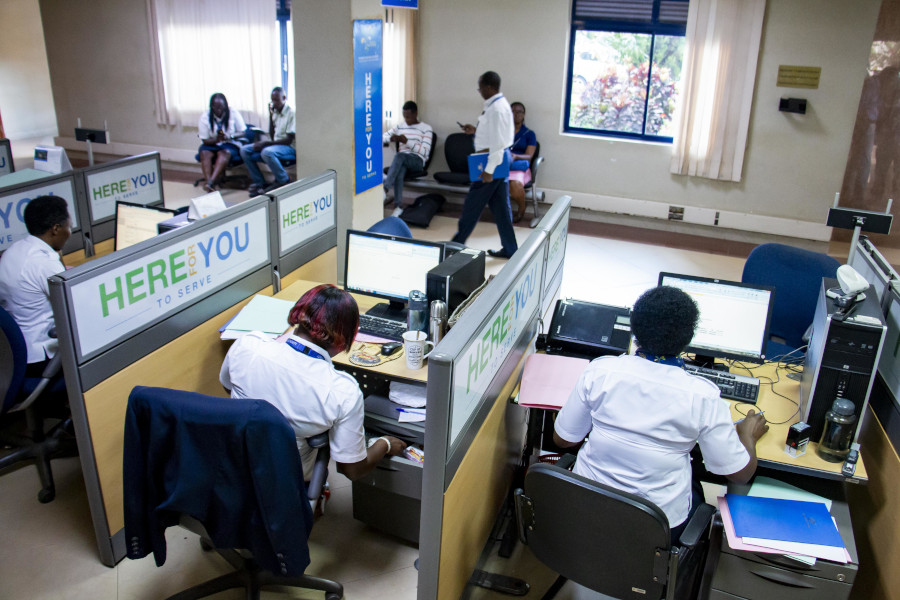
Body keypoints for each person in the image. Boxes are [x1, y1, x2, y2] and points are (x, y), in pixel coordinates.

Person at [553, 286, 768, 541]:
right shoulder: (702, 396)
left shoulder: (600, 372)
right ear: (688, 338)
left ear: (633, 330)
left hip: (586, 509)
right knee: (696, 490)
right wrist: (748, 436)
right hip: (655, 528)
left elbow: (563, 440)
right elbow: (739, 474)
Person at [220, 284, 406, 481]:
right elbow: (351, 469)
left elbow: (228, 386)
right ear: (344, 339)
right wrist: (384, 443)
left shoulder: (248, 345)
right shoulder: (342, 391)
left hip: (233, 465)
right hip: (285, 480)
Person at [0, 196, 71, 377]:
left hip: (15, 353)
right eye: (68, 226)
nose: (69, 232)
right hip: (43, 357)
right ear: (56, 229)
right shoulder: (44, 264)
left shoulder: (13, 251)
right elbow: (76, 307)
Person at [452, 71, 518, 259]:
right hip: (498, 159)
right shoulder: (498, 105)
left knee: (472, 206)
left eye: (480, 87)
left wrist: (489, 171)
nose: (479, 91)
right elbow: (495, 135)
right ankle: (510, 248)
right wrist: (476, 130)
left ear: (489, 87)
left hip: (492, 162)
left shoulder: (497, 108)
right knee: (501, 209)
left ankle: (455, 245)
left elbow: (498, 143)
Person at [240, 86, 297, 195]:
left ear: (284, 98)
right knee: (244, 150)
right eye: (272, 100)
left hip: (288, 148)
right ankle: (260, 182)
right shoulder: (275, 112)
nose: (274, 103)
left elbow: (288, 140)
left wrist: (266, 144)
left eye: (276, 100)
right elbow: (272, 135)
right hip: (275, 145)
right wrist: (271, 116)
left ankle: (284, 180)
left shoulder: (291, 113)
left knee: (266, 152)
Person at [382, 101, 433, 217]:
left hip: (417, 161)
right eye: (404, 116)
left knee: (400, 156)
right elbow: (382, 138)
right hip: (402, 161)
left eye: (408, 117)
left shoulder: (426, 128)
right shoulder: (400, 126)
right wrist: (391, 138)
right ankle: (398, 207)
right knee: (400, 169)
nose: (406, 120)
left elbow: (425, 152)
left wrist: (406, 142)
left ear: (415, 114)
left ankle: (385, 190)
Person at [197, 92, 247, 193]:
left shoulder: (233, 113)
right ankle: (209, 182)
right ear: (211, 107)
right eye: (216, 107)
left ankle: (210, 183)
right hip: (212, 143)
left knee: (224, 153)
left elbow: (243, 132)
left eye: (222, 107)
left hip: (230, 143)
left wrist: (230, 136)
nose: (219, 110)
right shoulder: (205, 117)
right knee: (204, 153)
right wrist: (216, 140)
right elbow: (205, 140)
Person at [508, 102, 537, 223]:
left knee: (514, 183)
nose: (516, 114)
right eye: (513, 111)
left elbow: (529, 156)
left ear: (524, 115)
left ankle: (522, 207)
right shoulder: (502, 131)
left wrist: (515, 156)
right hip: (503, 165)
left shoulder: (529, 134)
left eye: (520, 112)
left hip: (519, 167)